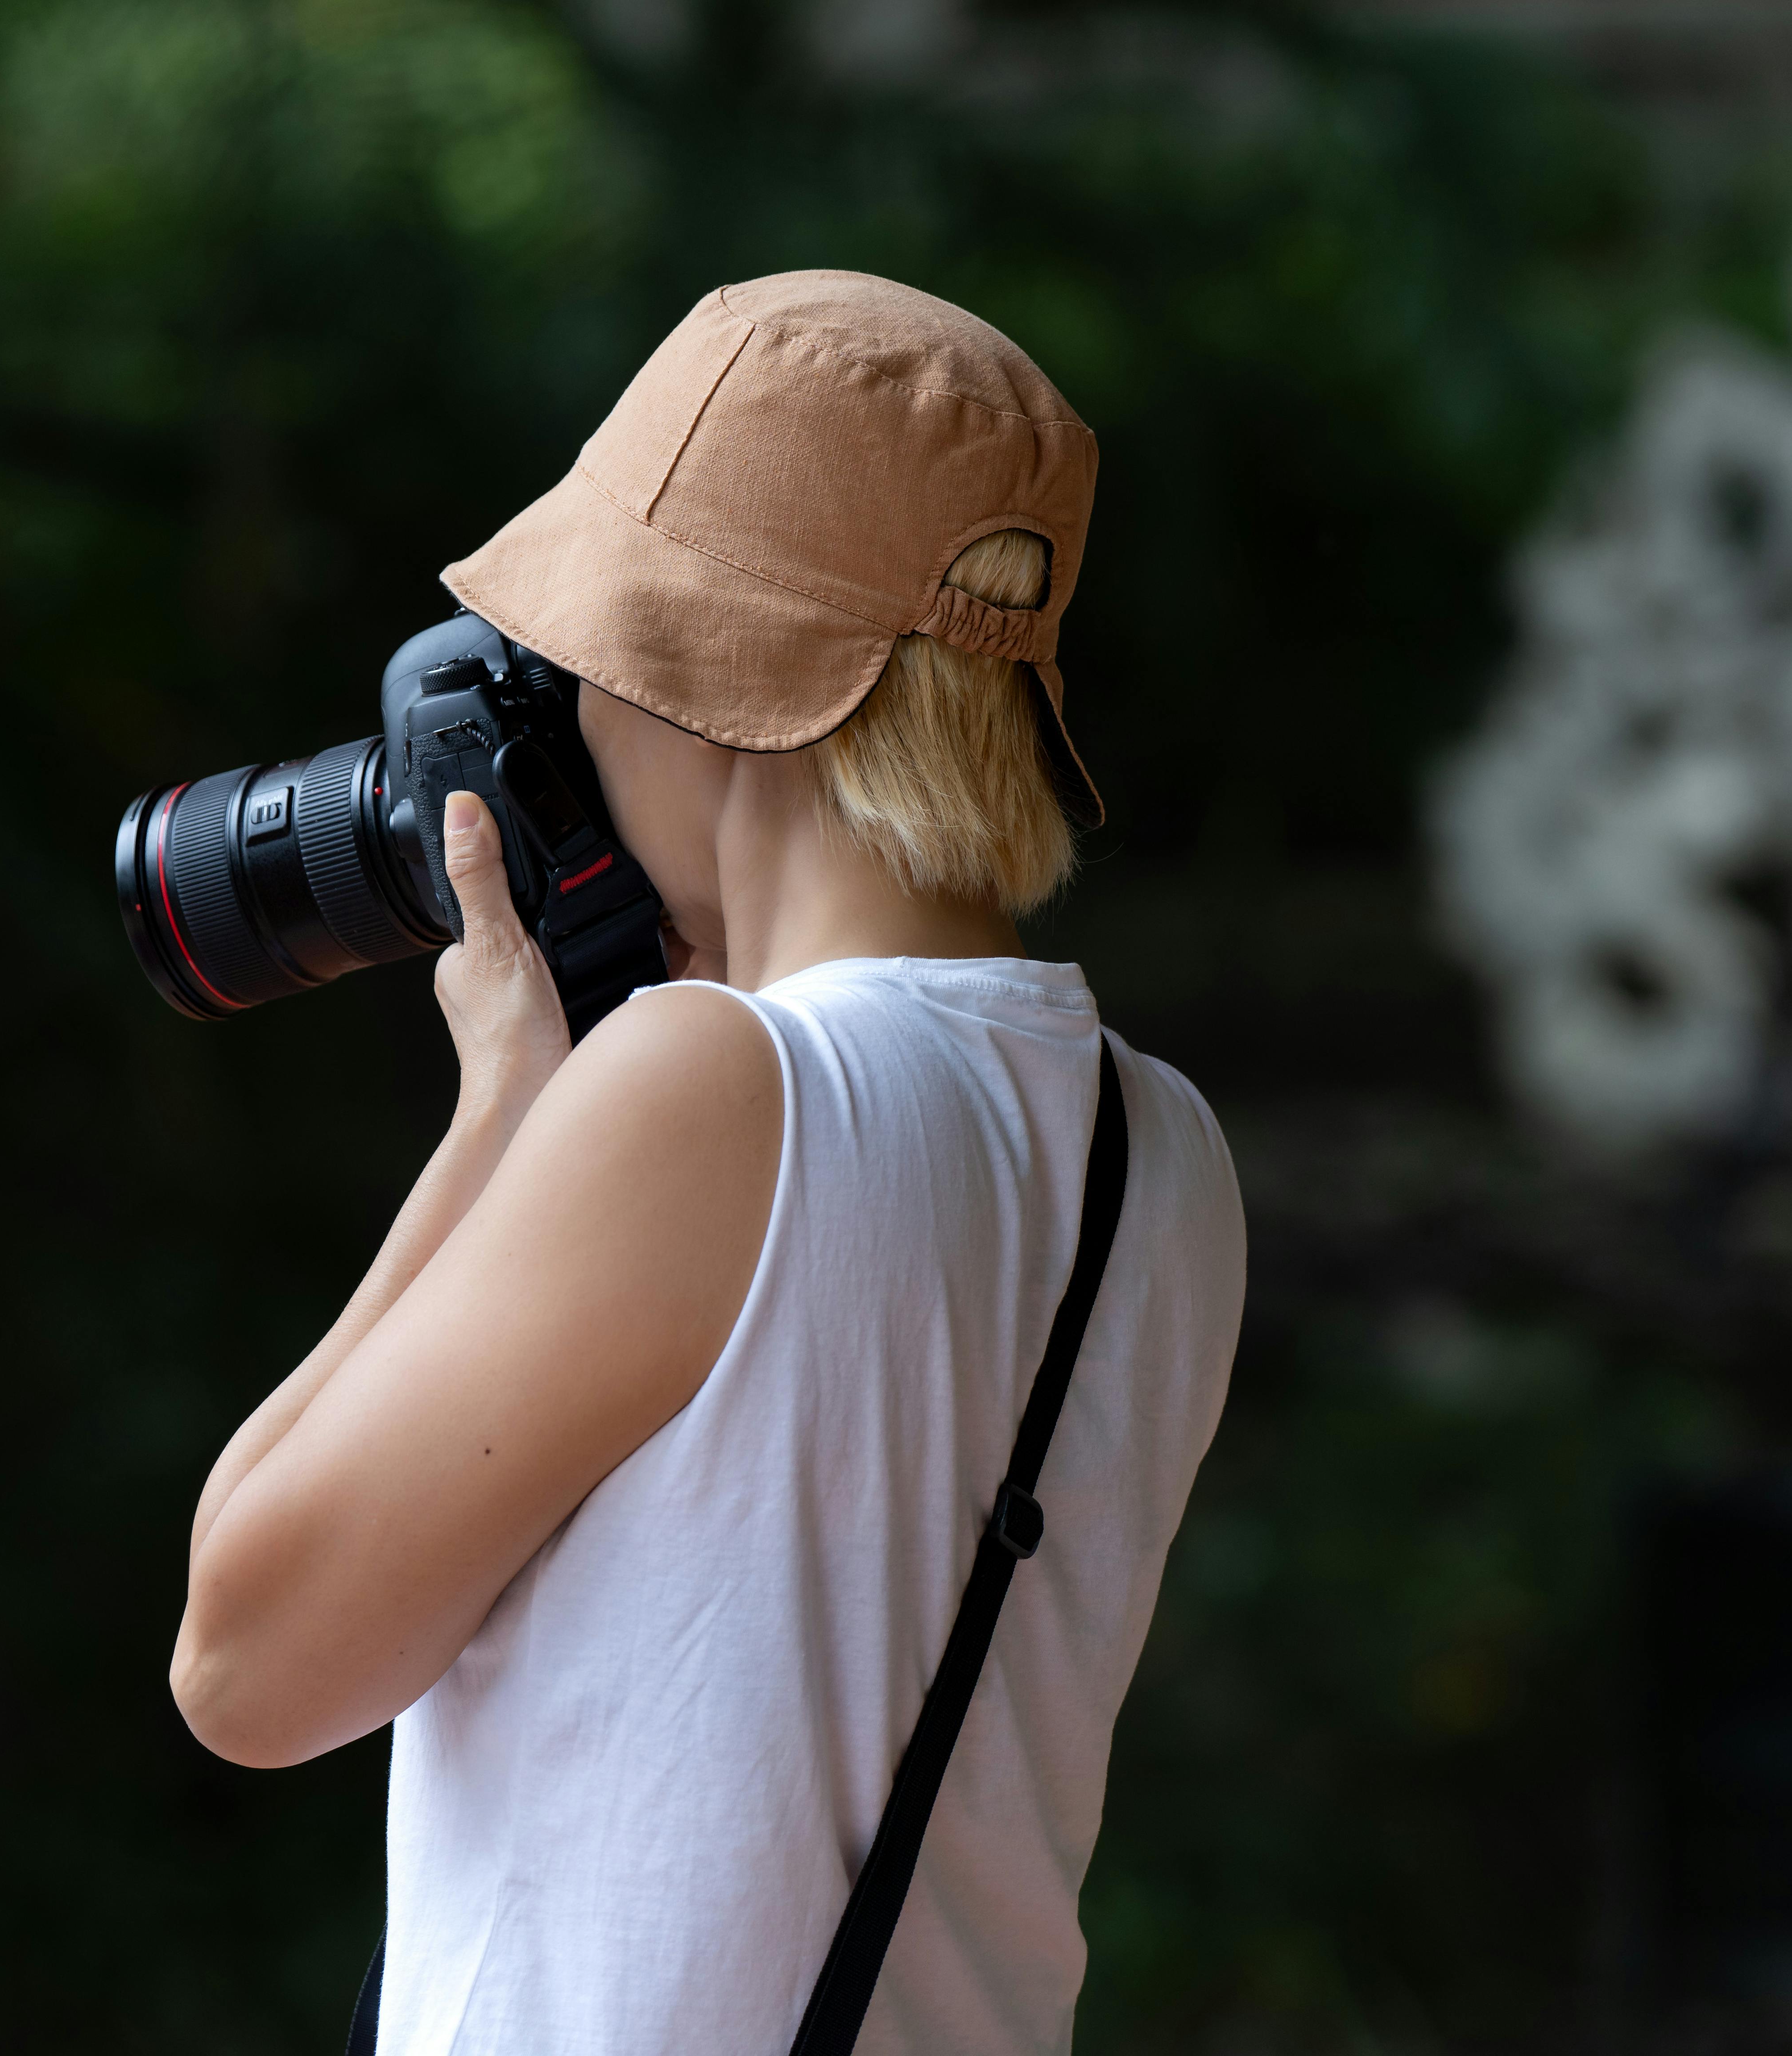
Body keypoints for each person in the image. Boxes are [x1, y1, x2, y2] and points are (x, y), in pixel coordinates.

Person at [168, 271, 1244, 2054]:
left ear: (702, 674)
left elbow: (245, 1662)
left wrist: (500, 1118)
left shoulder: (709, 1091)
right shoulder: (1163, 1155)